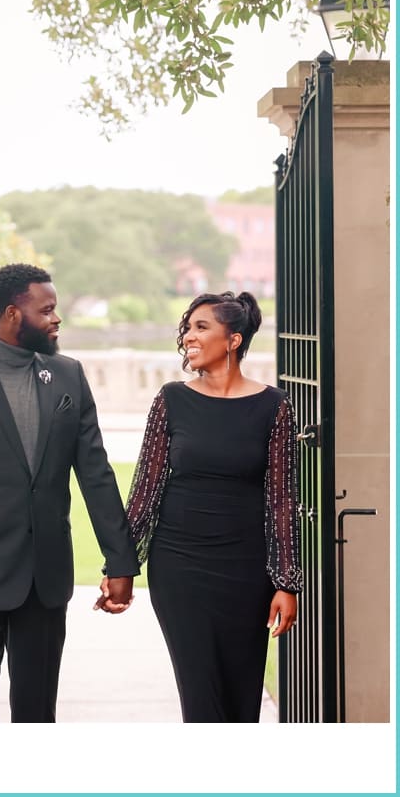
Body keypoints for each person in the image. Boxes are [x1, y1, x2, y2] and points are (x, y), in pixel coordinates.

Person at [0, 263, 139, 722]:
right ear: (13, 314)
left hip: (46, 577)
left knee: (37, 712)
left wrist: (121, 562)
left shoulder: (69, 376)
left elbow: (95, 472)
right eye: (48, 309)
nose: (57, 319)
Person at [110, 290, 302, 722]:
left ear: (233, 340)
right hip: (180, 569)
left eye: (201, 327)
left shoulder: (274, 406)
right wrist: (119, 564)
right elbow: (145, 490)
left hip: (247, 570)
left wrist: (286, 582)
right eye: (188, 328)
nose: (188, 337)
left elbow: (282, 501)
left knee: (242, 697)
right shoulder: (171, 399)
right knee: (201, 698)